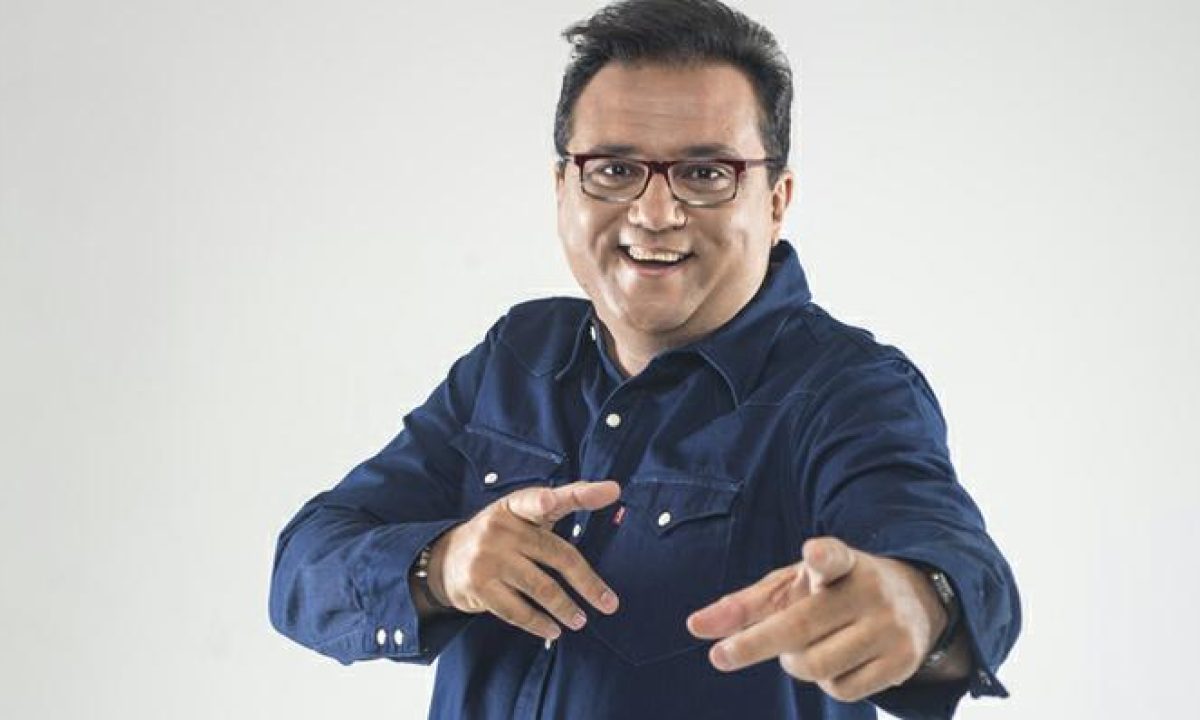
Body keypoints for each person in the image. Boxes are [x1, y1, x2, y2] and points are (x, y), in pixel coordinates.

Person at [268, 1, 1021, 717]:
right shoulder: (515, 358)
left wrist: (921, 605)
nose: (655, 214)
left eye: (706, 173)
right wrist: (445, 564)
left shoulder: (849, 391)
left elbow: (954, 557)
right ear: (563, 189)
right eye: (614, 169)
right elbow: (306, 564)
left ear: (776, 200)